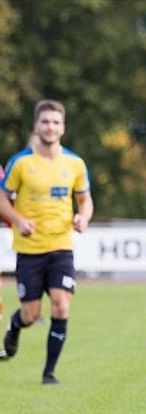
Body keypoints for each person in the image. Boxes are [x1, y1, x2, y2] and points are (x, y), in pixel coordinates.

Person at [0, 100, 94, 384]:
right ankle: (15, 325)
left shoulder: (75, 163)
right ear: (36, 126)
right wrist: (18, 220)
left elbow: (85, 200)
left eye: (55, 122)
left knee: (61, 305)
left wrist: (83, 218)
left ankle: (49, 373)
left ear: (63, 127)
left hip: (61, 246)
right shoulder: (21, 162)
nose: (50, 127)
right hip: (29, 250)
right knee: (31, 314)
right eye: (45, 122)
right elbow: (2, 198)